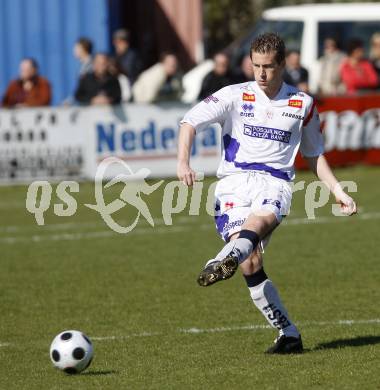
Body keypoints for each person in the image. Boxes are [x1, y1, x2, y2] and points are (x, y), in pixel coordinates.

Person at [177, 33, 357, 354]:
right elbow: (189, 122)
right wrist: (182, 162)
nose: (261, 74)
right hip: (233, 182)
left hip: (275, 182)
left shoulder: (302, 104)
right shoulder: (234, 95)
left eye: (268, 67)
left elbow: (314, 155)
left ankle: (227, 256)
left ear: (282, 64)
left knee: (257, 226)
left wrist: (338, 191)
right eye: (255, 65)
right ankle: (288, 334)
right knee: (251, 262)